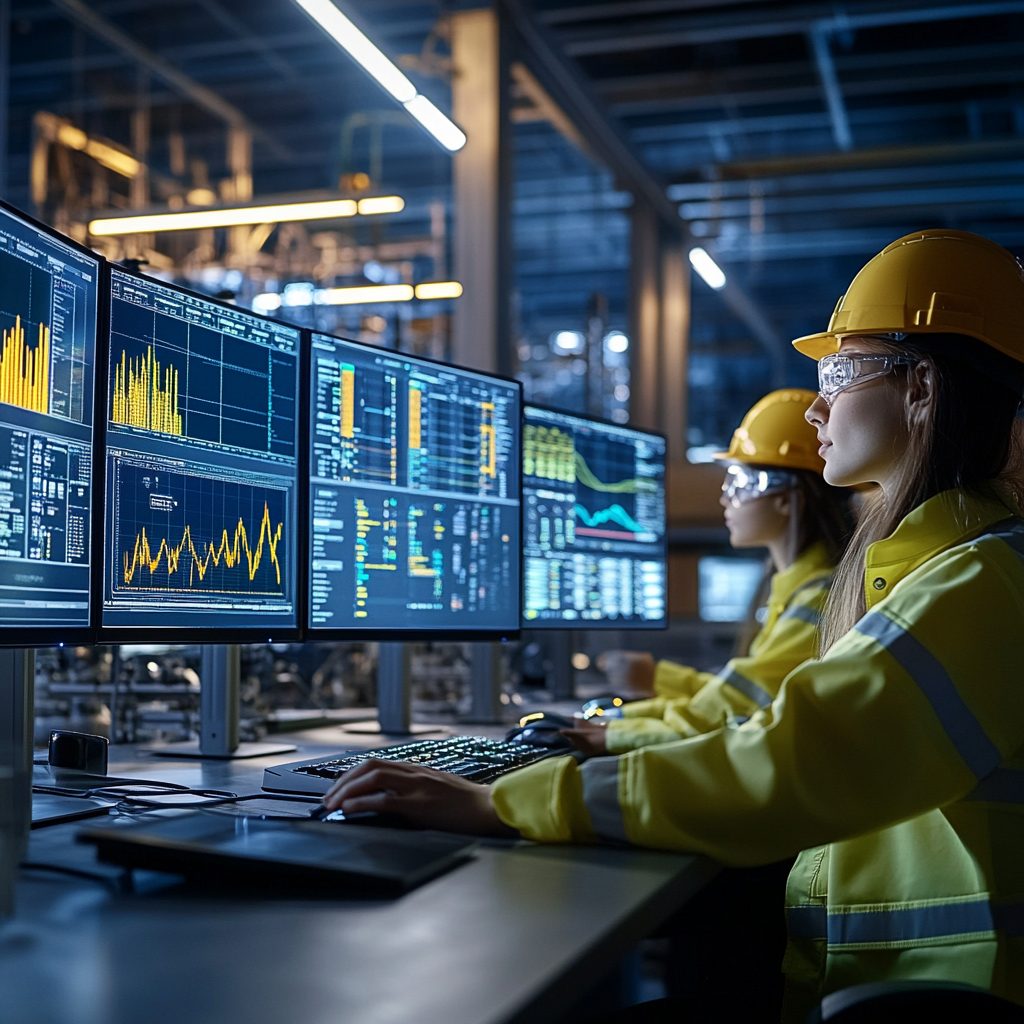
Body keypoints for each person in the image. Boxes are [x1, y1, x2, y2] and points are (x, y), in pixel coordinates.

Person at [322, 230, 1024, 1020]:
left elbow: (792, 755)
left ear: (922, 387)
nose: (820, 405)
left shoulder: (982, 580)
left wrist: (507, 802)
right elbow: (789, 732)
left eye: (838, 371)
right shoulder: (943, 571)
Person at [564, 388, 851, 758]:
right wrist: (642, 696)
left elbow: (738, 707)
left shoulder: (818, 600)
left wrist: (615, 731)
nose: (725, 497)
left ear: (786, 496)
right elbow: (741, 686)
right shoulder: (795, 589)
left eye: (740, 481)